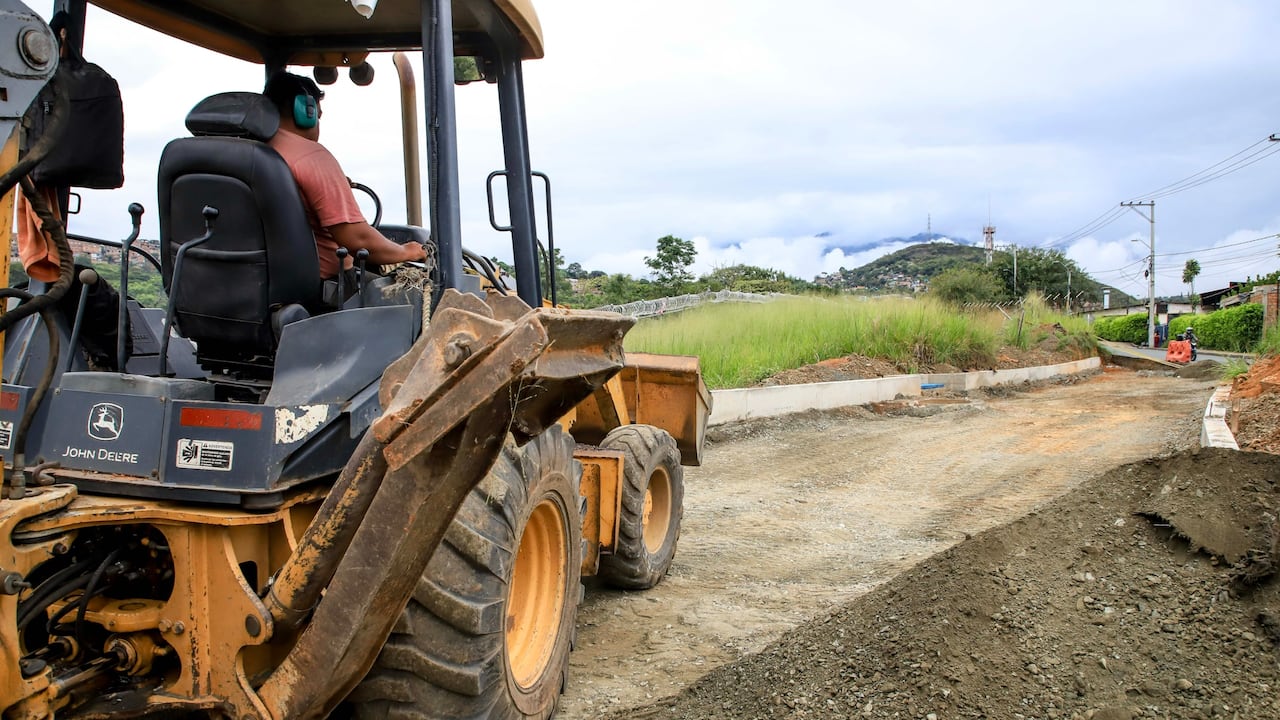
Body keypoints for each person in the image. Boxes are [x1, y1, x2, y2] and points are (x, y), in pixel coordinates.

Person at [262, 71, 425, 283]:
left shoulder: (245, 150)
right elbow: (358, 240)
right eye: (317, 116)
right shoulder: (311, 157)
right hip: (322, 290)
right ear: (305, 112)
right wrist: (407, 251)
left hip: (253, 282)